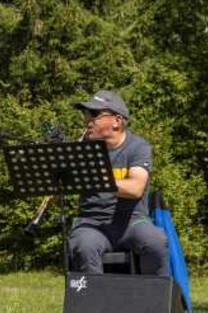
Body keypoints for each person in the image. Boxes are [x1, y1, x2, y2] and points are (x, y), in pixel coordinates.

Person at [67, 89, 170, 276]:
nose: (87, 120)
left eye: (95, 114)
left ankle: (153, 302)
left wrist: (99, 178)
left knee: (156, 241)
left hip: (133, 221)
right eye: (86, 114)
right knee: (84, 246)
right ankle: (95, 304)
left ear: (117, 120)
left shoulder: (138, 147)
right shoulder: (81, 149)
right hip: (91, 222)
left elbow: (136, 188)